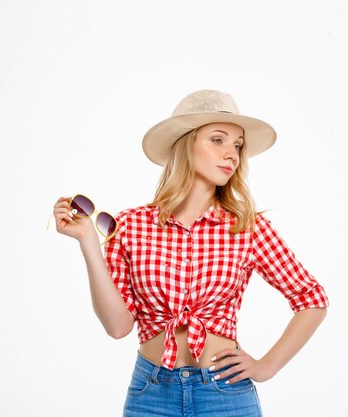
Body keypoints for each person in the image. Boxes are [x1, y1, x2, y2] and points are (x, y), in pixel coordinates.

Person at [51, 89, 329, 417]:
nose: (232, 154)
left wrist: (266, 366)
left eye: (238, 145)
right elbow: (118, 327)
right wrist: (88, 243)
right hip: (151, 393)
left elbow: (311, 298)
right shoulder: (130, 225)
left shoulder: (247, 227)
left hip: (226, 394)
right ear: (185, 144)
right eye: (218, 140)